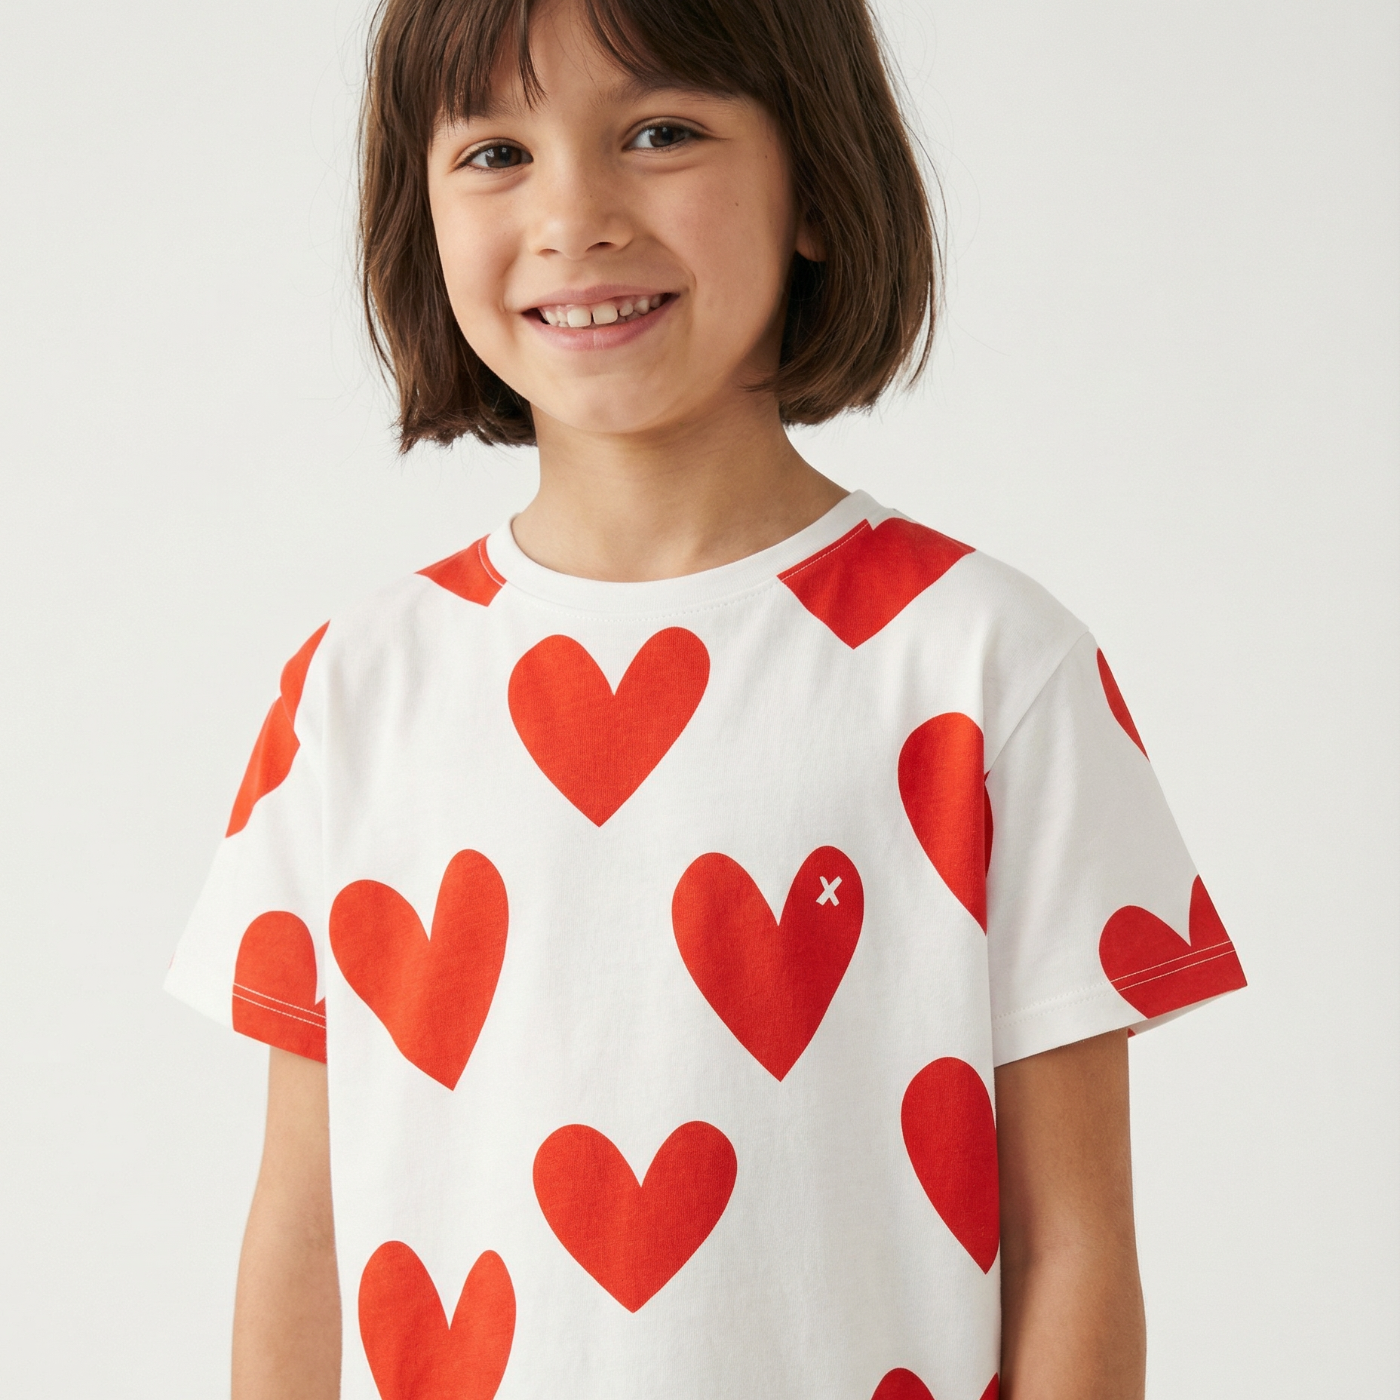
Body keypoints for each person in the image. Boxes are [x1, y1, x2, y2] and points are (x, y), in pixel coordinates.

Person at [165, 0, 1248, 1395]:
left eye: (660, 133)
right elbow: (305, 1230)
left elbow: (1075, 1245)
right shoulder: (350, 694)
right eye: (495, 153)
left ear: (814, 185)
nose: (575, 216)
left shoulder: (989, 670)